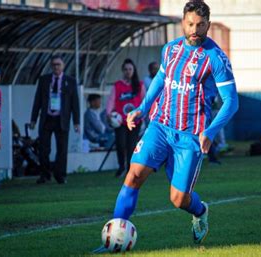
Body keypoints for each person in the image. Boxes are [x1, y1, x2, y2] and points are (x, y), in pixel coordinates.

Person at [93, 1, 239, 252]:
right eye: (191, 24)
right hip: (160, 126)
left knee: (178, 199)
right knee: (134, 173)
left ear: (208, 25)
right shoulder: (170, 49)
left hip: (190, 136)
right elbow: (161, 79)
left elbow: (231, 101)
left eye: (201, 25)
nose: (195, 29)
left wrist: (210, 132)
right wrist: (142, 108)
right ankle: (114, 240)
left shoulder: (215, 58)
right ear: (183, 22)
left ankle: (201, 210)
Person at [30, 55, 81, 184]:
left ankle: (60, 175)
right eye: (54, 64)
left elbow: (75, 103)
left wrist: (76, 122)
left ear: (63, 66)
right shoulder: (44, 80)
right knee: (43, 149)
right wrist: (33, 119)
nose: (56, 67)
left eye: (58, 64)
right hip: (47, 119)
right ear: (51, 66)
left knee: (62, 149)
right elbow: (37, 101)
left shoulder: (70, 81)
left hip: (61, 119)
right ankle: (44, 175)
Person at [105, 58, 146, 177]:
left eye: (130, 69)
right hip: (120, 121)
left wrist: (143, 115)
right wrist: (108, 114)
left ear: (134, 70)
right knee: (121, 144)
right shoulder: (117, 85)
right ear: (123, 71)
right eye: (126, 69)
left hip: (135, 121)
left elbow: (145, 101)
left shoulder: (139, 85)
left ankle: (130, 168)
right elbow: (111, 101)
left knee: (131, 145)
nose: (128, 71)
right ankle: (121, 167)